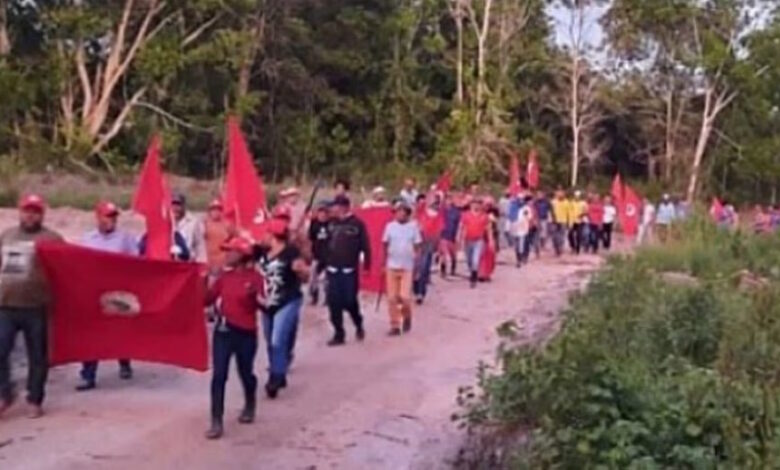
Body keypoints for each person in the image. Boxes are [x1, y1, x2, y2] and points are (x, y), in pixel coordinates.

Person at [0, 194, 63, 418]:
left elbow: (66, 271)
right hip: (6, 306)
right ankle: (5, 394)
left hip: (36, 307)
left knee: (37, 356)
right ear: (20, 211)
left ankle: (35, 399)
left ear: (42, 214)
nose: (30, 215)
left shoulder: (52, 239)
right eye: (27, 210)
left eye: (35, 211)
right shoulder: (7, 236)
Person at [204, 236, 264, 440]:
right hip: (223, 332)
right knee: (219, 375)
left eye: (232, 251)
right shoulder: (223, 278)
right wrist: (202, 281)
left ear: (243, 255)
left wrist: (255, 296)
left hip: (246, 333)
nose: (227, 254)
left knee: (245, 372)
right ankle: (216, 420)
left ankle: (250, 401)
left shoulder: (255, 278)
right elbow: (207, 300)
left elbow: (265, 305)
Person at [75, 201, 139, 391]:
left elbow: (137, 263)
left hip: (117, 290)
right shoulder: (88, 239)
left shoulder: (126, 238)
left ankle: (124, 362)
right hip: (94, 291)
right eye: (107, 216)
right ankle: (88, 375)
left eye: (114, 216)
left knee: (120, 329)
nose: (111, 220)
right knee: (91, 334)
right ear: (98, 217)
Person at [255, 219, 309, 398]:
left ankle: (275, 377)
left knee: (278, 340)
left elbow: (305, 277)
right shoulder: (261, 251)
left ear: (273, 236)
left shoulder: (291, 253)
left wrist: (300, 271)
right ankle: (280, 370)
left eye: (266, 233)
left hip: (287, 301)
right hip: (266, 303)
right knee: (270, 341)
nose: (263, 236)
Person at [325, 195, 371, 346]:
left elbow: (365, 247)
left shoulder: (357, 224)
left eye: (335, 206)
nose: (333, 209)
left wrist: (366, 266)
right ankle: (339, 333)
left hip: (349, 270)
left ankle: (358, 323)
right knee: (333, 303)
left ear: (344, 207)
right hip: (332, 269)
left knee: (349, 301)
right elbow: (322, 243)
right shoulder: (331, 224)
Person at [383, 202, 422, 335]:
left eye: (403, 212)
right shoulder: (389, 227)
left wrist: (417, 265)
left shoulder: (413, 227)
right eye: (398, 211)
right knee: (392, 298)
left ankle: (407, 316)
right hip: (392, 265)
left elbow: (417, 247)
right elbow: (385, 244)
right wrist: (383, 263)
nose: (401, 214)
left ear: (407, 214)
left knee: (405, 297)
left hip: (407, 267)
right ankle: (395, 325)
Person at [414, 197, 442, 304]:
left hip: (429, 243)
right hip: (417, 242)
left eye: (436, 203)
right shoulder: (421, 213)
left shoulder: (438, 216)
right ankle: (416, 286)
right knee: (416, 266)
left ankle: (421, 292)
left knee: (424, 267)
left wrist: (437, 247)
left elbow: (439, 232)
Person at [458, 199, 491, 288]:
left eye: (477, 204)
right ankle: (472, 271)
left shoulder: (484, 216)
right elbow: (461, 227)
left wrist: (491, 241)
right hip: (468, 240)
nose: (476, 206)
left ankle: (474, 277)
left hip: (478, 241)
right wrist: (459, 240)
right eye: (474, 204)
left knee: (475, 260)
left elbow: (488, 229)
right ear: (471, 205)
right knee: (469, 260)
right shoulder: (465, 215)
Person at [172, 192, 206, 262]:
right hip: (170, 264)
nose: (175, 208)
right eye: (173, 205)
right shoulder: (166, 221)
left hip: (188, 264)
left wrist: (201, 264)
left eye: (178, 205)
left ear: (183, 206)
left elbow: (200, 245)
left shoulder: (193, 222)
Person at [307, 204, 331, 306]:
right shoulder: (314, 224)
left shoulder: (331, 224)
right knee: (313, 278)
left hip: (328, 256)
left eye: (324, 213)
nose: (322, 215)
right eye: (321, 213)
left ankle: (327, 299)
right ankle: (314, 297)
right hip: (317, 255)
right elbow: (310, 238)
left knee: (326, 279)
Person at [204, 199, 230, 273]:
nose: (216, 212)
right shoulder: (204, 223)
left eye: (218, 209)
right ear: (209, 211)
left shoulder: (227, 225)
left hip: (223, 263)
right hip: (209, 262)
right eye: (213, 209)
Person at [439, 193, 461, 277]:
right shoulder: (441, 211)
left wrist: (458, 235)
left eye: (449, 199)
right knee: (443, 254)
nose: (448, 201)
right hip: (443, 235)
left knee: (453, 255)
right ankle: (443, 270)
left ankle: (453, 268)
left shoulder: (456, 212)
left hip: (453, 236)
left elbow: (459, 224)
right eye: (446, 199)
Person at [550, 189, 569, 256]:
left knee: (562, 236)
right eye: (558, 194)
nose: (560, 195)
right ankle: (556, 248)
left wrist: (569, 222)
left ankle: (560, 248)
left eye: (561, 194)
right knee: (554, 236)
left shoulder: (567, 202)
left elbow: (568, 213)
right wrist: (552, 219)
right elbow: (551, 211)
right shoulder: (553, 202)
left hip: (563, 221)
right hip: (554, 221)